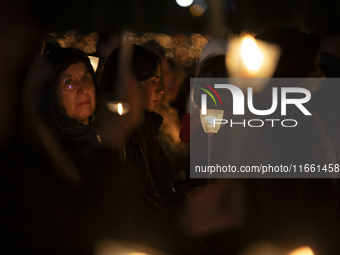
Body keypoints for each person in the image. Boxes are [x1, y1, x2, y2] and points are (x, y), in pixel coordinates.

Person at [100, 44, 183, 218]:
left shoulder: (147, 130)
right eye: (153, 81)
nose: (161, 89)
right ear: (128, 83)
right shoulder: (118, 138)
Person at [39, 48, 101, 169]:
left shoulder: (109, 137)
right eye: (69, 82)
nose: (82, 90)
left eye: (86, 79)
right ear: (51, 93)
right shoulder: (49, 154)